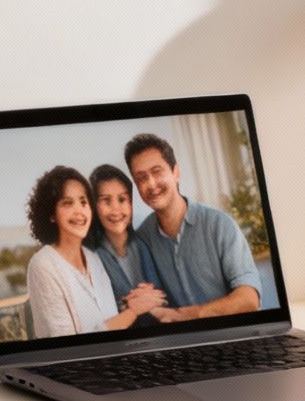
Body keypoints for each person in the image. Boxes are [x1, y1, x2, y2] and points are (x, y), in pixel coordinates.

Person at [125, 132, 263, 322]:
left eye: (157, 172)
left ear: (175, 172)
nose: (151, 184)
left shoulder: (220, 225)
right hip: (181, 343)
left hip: (232, 335)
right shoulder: (143, 238)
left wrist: (189, 315)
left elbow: (249, 299)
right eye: (141, 178)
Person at [22, 165, 160, 339]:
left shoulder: (93, 259)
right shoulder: (43, 265)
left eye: (83, 202)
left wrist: (131, 303)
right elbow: (66, 347)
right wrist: (132, 311)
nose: (79, 211)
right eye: (67, 203)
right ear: (51, 214)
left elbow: (110, 321)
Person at [84, 164, 168, 324]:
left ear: (131, 204)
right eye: (106, 201)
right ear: (94, 207)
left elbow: (159, 296)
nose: (116, 209)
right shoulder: (90, 255)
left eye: (122, 200)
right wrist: (129, 305)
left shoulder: (143, 244)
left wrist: (140, 302)